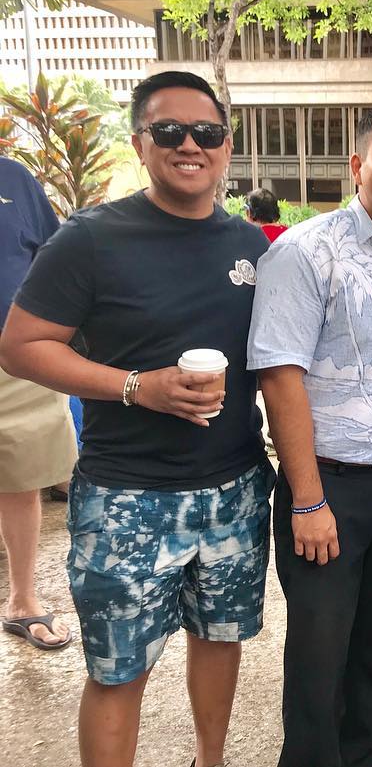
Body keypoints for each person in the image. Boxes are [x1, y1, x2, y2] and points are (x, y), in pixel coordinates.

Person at [0, 71, 273, 767]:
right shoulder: (91, 239)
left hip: (235, 489)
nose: (190, 145)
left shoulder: (252, 245)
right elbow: (22, 345)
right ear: (140, 143)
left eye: (206, 132)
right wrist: (135, 387)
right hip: (127, 496)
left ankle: (210, 759)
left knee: (221, 642)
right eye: (169, 131)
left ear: (227, 145)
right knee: (118, 670)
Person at [247, 102, 372, 767]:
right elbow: (280, 376)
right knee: (319, 648)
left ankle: (368, 749)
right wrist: (307, 498)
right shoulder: (305, 251)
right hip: (327, 481)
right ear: (358, 165)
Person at [0, 156, 78, 651]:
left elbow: (53, 260)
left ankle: (21, 598)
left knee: (22, 479)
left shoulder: (13, 177)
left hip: (15, 357)